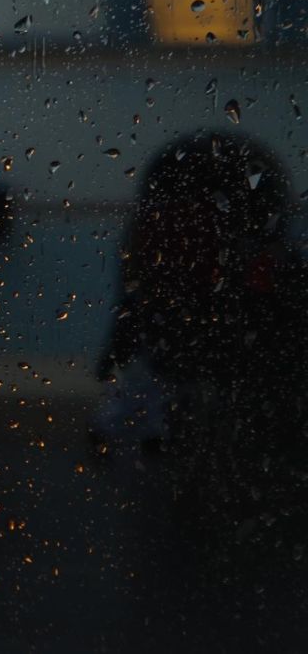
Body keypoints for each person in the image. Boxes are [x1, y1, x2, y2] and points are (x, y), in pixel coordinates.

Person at [98, 132, 308, 578]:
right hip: (217, 333)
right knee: (181, 388)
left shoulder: (160, 235)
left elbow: (136, 287)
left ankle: (170, 440)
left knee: (157, 383)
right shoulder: (242, 245)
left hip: (178, 329)